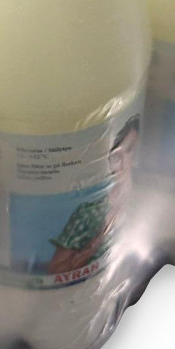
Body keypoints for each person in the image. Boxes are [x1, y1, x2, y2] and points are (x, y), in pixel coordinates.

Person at [47, 115, 141, 275]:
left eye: (133, 150)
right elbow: (55, 271)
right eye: (120, 154)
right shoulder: (88, 214)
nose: (128, 161)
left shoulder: (143, 206)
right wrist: (93, 246)